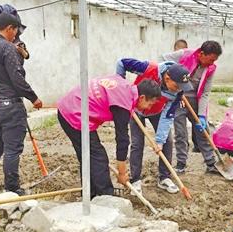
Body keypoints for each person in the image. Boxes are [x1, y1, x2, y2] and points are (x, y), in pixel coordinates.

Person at [57, 75, 161, 198]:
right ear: (142, 97)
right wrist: (122, 173)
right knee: (98, 157)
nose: (148, 108)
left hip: (71, 105)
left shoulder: (125, 87)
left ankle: (90, 194)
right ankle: (105, 196)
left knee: (88, 156)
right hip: (74, 113)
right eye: (149, 104)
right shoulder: (122, 103)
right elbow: (122, 140)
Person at [0, 12, 43, 196]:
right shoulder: (7, 48)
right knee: (12, 149)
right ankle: (12, 187)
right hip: (10, 106)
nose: (15, 36)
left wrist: (20, 55)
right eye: (15, 31)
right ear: (9, 28)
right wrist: (33, 98)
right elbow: (17, 77)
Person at [117, 58, 193, 194]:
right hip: (135, 109)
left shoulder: (178, 92)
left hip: (157, 112)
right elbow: (121, 63)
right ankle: (135, 180)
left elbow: (167, 115)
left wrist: (159, 141)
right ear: (167, 78)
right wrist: (121, 86)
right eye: (177, 86)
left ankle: (164, 178)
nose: (179, 89)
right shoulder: (149, 68)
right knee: (137, 143)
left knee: (167, 141)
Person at [160, 40, 223, 174]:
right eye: (211, 59)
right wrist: (172, 83)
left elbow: (205, 92)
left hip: (195, 100)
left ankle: (211, 162)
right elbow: (163, 59)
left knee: (202, 130)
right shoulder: (184, 54)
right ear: (202, 54)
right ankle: (181, 163)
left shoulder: (210, 68)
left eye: (214, 60)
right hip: (179, 98)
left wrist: (202, 115)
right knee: (180, 132)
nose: (212, 63)